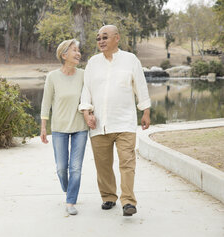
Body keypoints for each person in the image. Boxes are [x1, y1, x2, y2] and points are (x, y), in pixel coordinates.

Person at [79, 25, 151, 217]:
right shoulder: (93, 63)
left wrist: (146, 111)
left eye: (105, 37)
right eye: (98, 38)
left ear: (116, 38)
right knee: (103, 165)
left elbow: (140, 86)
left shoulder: (130, 60)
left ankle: (128, 201)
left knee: (127, 163)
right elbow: (86, 90)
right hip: (99, 125)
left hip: (125, 122)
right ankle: (108, 197)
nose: (101, 41)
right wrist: (87, 112)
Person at [40, 39, 88, 215]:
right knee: (61, 168)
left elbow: (89, 98)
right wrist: (43, 127)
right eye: (74, 50)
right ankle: (68, 189)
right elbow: (46, 104)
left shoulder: (83, 75)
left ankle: (70, 201)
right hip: (59, 128)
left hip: (80, 128)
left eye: (78, 50)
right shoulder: (53, 77)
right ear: (64, 55)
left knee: (75, 167)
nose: (78, 53)